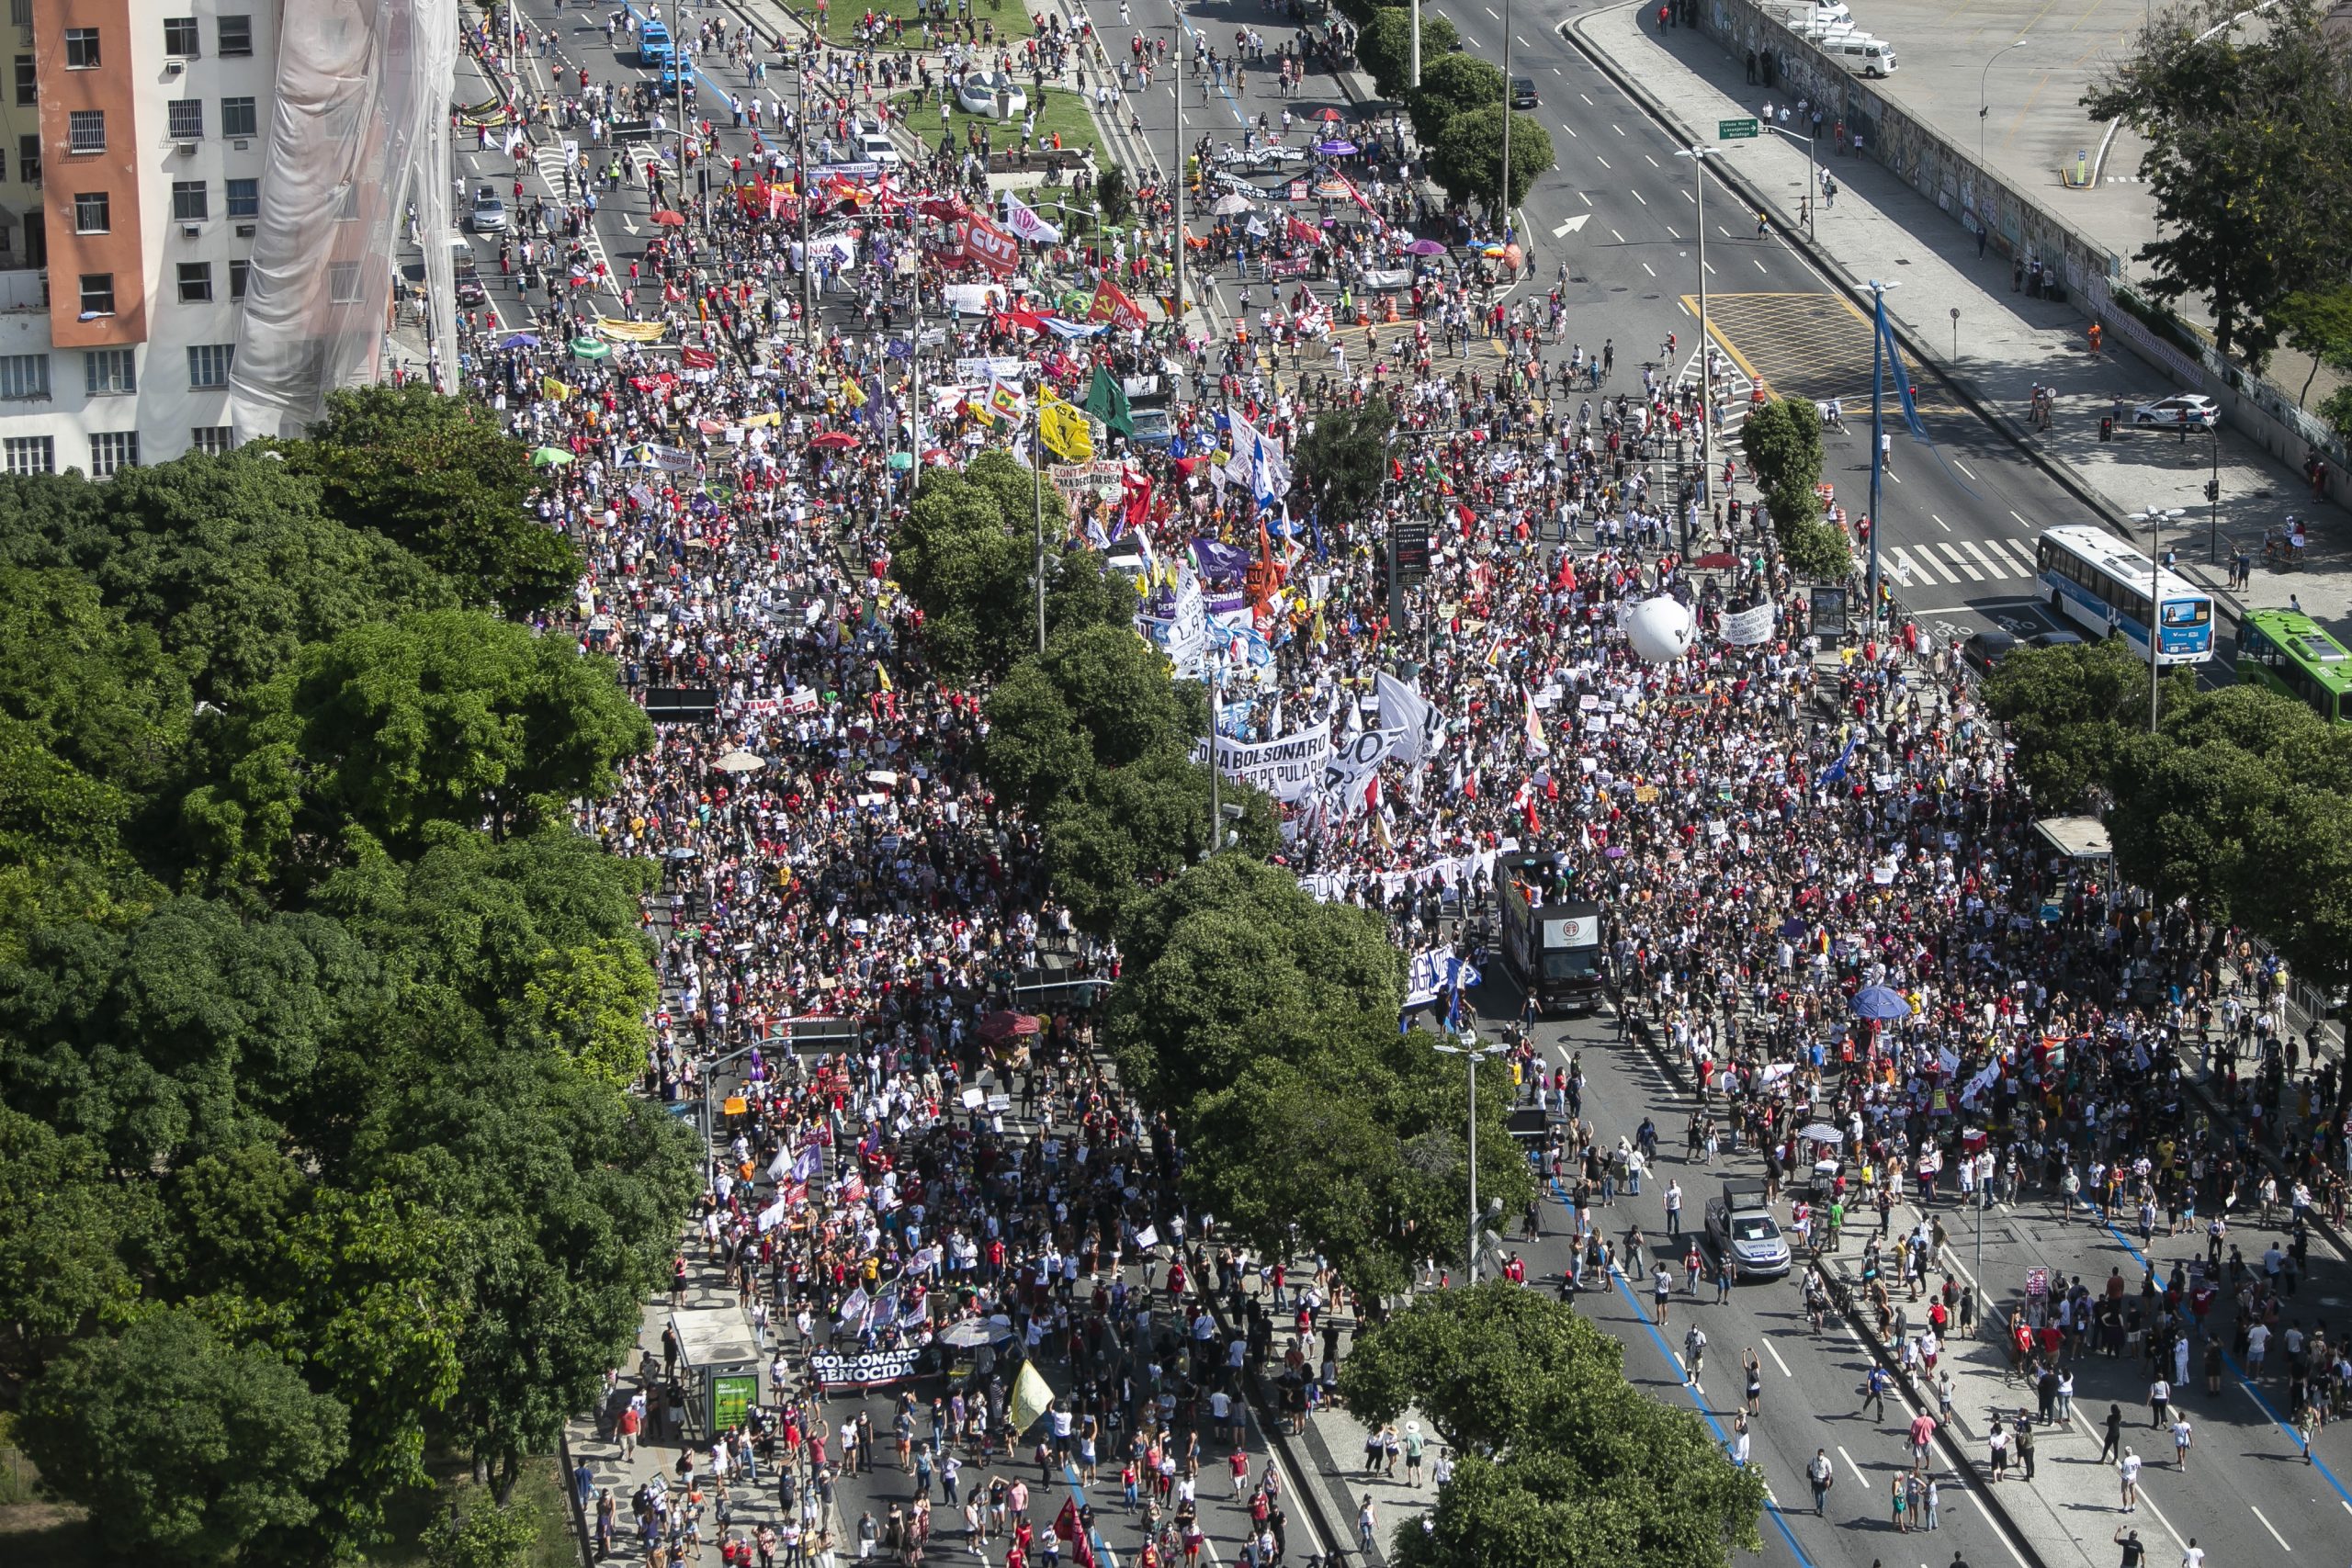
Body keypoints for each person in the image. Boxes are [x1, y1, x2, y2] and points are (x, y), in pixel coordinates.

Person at [1807, 1449, 1834, 1515]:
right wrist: (1807, 1472)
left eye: (1821, 1454)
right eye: (1819, 1454)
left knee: (1822, 1496)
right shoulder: (1814, 1459)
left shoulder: (1827, 1461)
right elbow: (1808, 1464)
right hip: (1815, 1480)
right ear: (1817, 1454)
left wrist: (1828, 1480)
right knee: (1816, 1495)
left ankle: (1821, 1510)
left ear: (1823, 1454)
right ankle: (1818, 1507)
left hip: (1823, 1481)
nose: (1820, 1456)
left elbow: (1830, 1471)